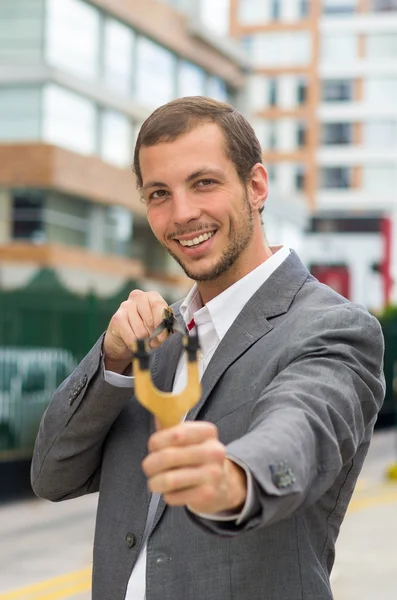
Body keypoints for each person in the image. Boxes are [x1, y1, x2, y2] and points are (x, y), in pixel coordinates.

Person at [31, 97, 385, 600]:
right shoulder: (154, 337)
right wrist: (112, 361)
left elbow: (301, 433)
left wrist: (234, 478)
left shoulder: (333, 327)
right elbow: (51, 476)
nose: (182, 214)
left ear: (256, 186)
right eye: (159, 193)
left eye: (204, 183)